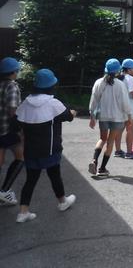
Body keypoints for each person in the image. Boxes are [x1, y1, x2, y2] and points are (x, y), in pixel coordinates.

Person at [15, 69, 76, 223]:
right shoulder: (53, 103)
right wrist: (74, 112)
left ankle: (23, 212)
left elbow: (16, 123)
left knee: (30, 180)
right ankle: (62, 202)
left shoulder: (26, 103)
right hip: (50, 150)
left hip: (30, 151)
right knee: (55, 176)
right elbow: (68, 116)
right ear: (51, 86)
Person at [88, 59, 132, 178]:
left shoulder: (98, 82)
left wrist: (92, 116)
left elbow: (94, 100)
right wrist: (129, 117)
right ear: (118, 71)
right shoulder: (120, 84)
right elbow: (125, 103)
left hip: (103, 116)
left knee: (102, 139)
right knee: (110, 141)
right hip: (117, 117)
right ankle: (102, 169)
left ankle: (94, 160)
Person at [0, 57, 24, 206]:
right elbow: (13, 110)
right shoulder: (12, 86)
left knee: (0, 161)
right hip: (6, 129)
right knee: (20, 158)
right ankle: (4, 191)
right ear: (13, 72)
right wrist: (20, 130)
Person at [118, 58, 133, 159]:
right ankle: (129, 152)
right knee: (130, 129)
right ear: (129, 69)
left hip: (120, 106)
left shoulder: (119, 78)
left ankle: (118, 150)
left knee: (119, 129)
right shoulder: (130, 79)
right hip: (131, 106)